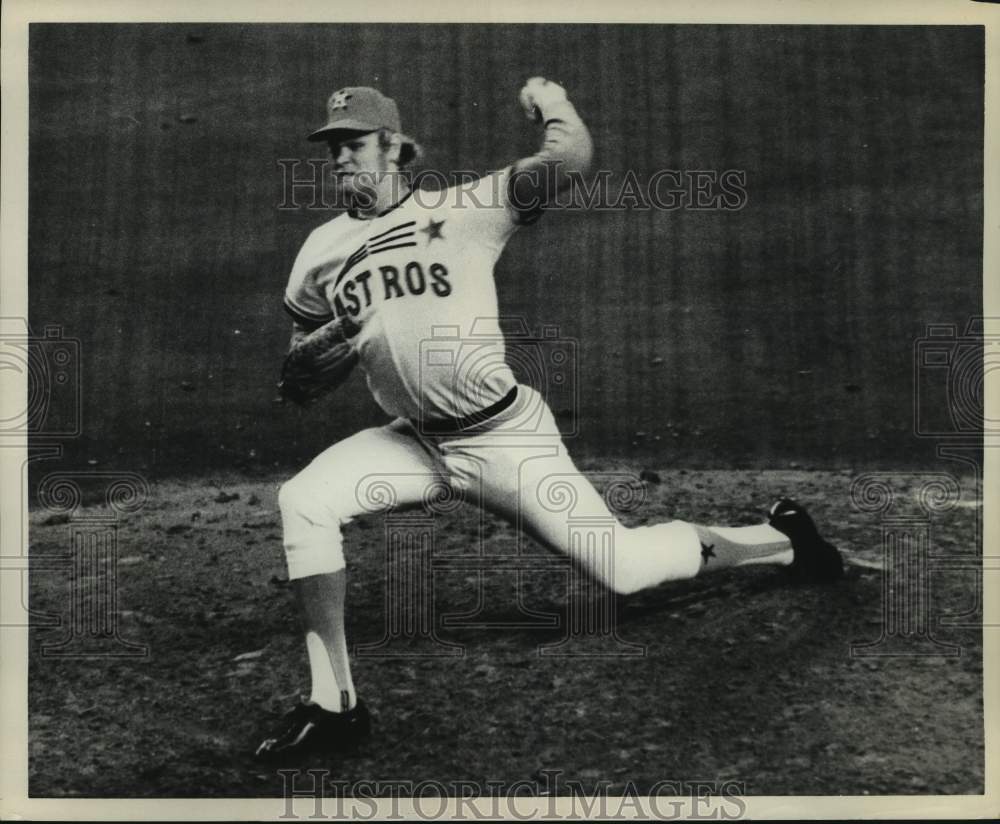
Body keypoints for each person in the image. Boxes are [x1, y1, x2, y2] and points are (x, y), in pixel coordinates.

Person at [256, 80, 843, 761]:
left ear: (394, 146)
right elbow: (300, 364)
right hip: (413, 444)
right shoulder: (319, 252)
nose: (342, 162)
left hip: (506, 441)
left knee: (624, 569)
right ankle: (335, 706)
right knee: (303, 500)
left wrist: (553, 101)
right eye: (333, 150)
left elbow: (571, 160)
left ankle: (781, 539)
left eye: (354, 145)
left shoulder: (468, 207)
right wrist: (313, 360)